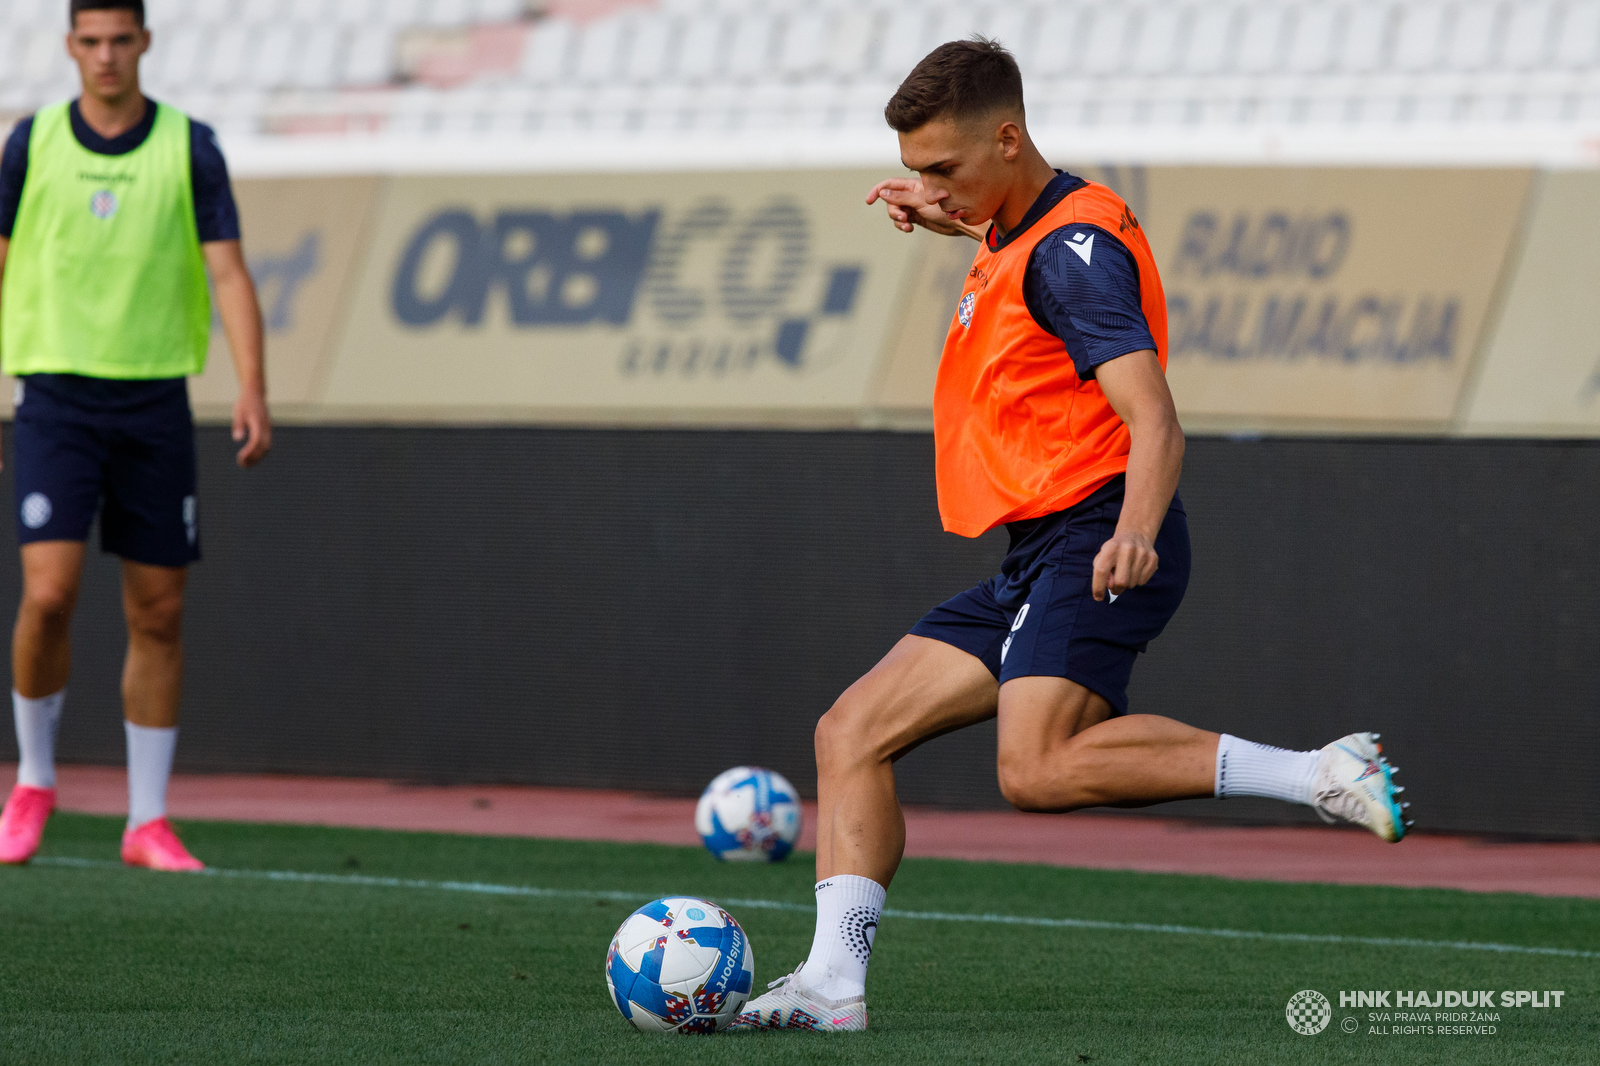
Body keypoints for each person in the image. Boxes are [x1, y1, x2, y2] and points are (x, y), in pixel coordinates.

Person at [732, 39, 1410, 1033]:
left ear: (1008, 138)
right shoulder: (1028, 225)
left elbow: (1155, 417)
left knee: (1036, 767)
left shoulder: (1067, 255)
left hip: (1096, 534)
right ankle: (833, 985)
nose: (927, 186)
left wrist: (1134, 530)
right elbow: (1025, 275)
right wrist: (956, 222)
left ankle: (1322, 772)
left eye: (944, 169)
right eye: (917, 169)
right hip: (1038, 552)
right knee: (851, 731)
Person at [0, 0, 271, 871]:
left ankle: (146, 820)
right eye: (92, 41)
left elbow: (226, 270)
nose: (107, 56)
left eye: (122, 39)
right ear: (71, 46)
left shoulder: (189, 145)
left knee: (157, 611)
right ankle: (34, 780)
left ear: (145, 42)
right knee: (48, 594)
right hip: (54, 397)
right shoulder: (32, 141)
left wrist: (253, 386)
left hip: (153, 402)